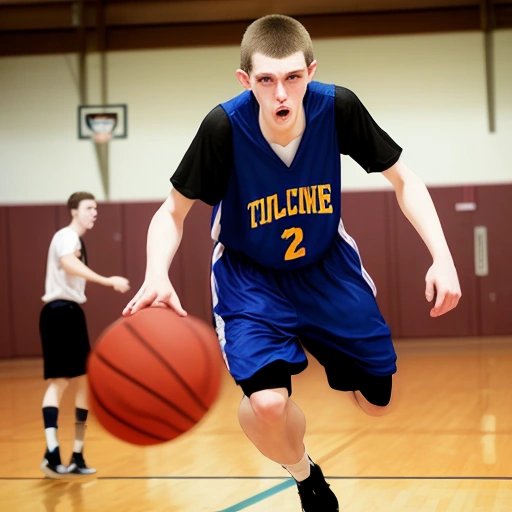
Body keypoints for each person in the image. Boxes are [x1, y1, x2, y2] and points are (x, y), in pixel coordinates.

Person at [123, 14, 461, 511]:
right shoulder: (224, 127)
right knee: (267, 404)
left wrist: (443, 258)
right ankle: (305, 475)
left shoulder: (337, 108)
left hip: (327, 268)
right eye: (266, 80)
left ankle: (337, 364)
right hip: (250, 278)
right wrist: (157, 273)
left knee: (377, 403)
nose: (281, 93)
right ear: (246, 81)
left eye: (292, 78)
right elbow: (171, 212)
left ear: (310, 72)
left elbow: (405, 180)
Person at [40, 191, 130, 479]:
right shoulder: (66, 236)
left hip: (70, 313)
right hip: (58, 312)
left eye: (95, 208)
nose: (94, 213)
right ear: (74, 211)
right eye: (89, 208)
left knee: (84, 383)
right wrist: (107, 281)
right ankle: (52, 452)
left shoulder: (74, 240)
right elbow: (68, 263)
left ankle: (77, 454)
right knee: (60, 381)